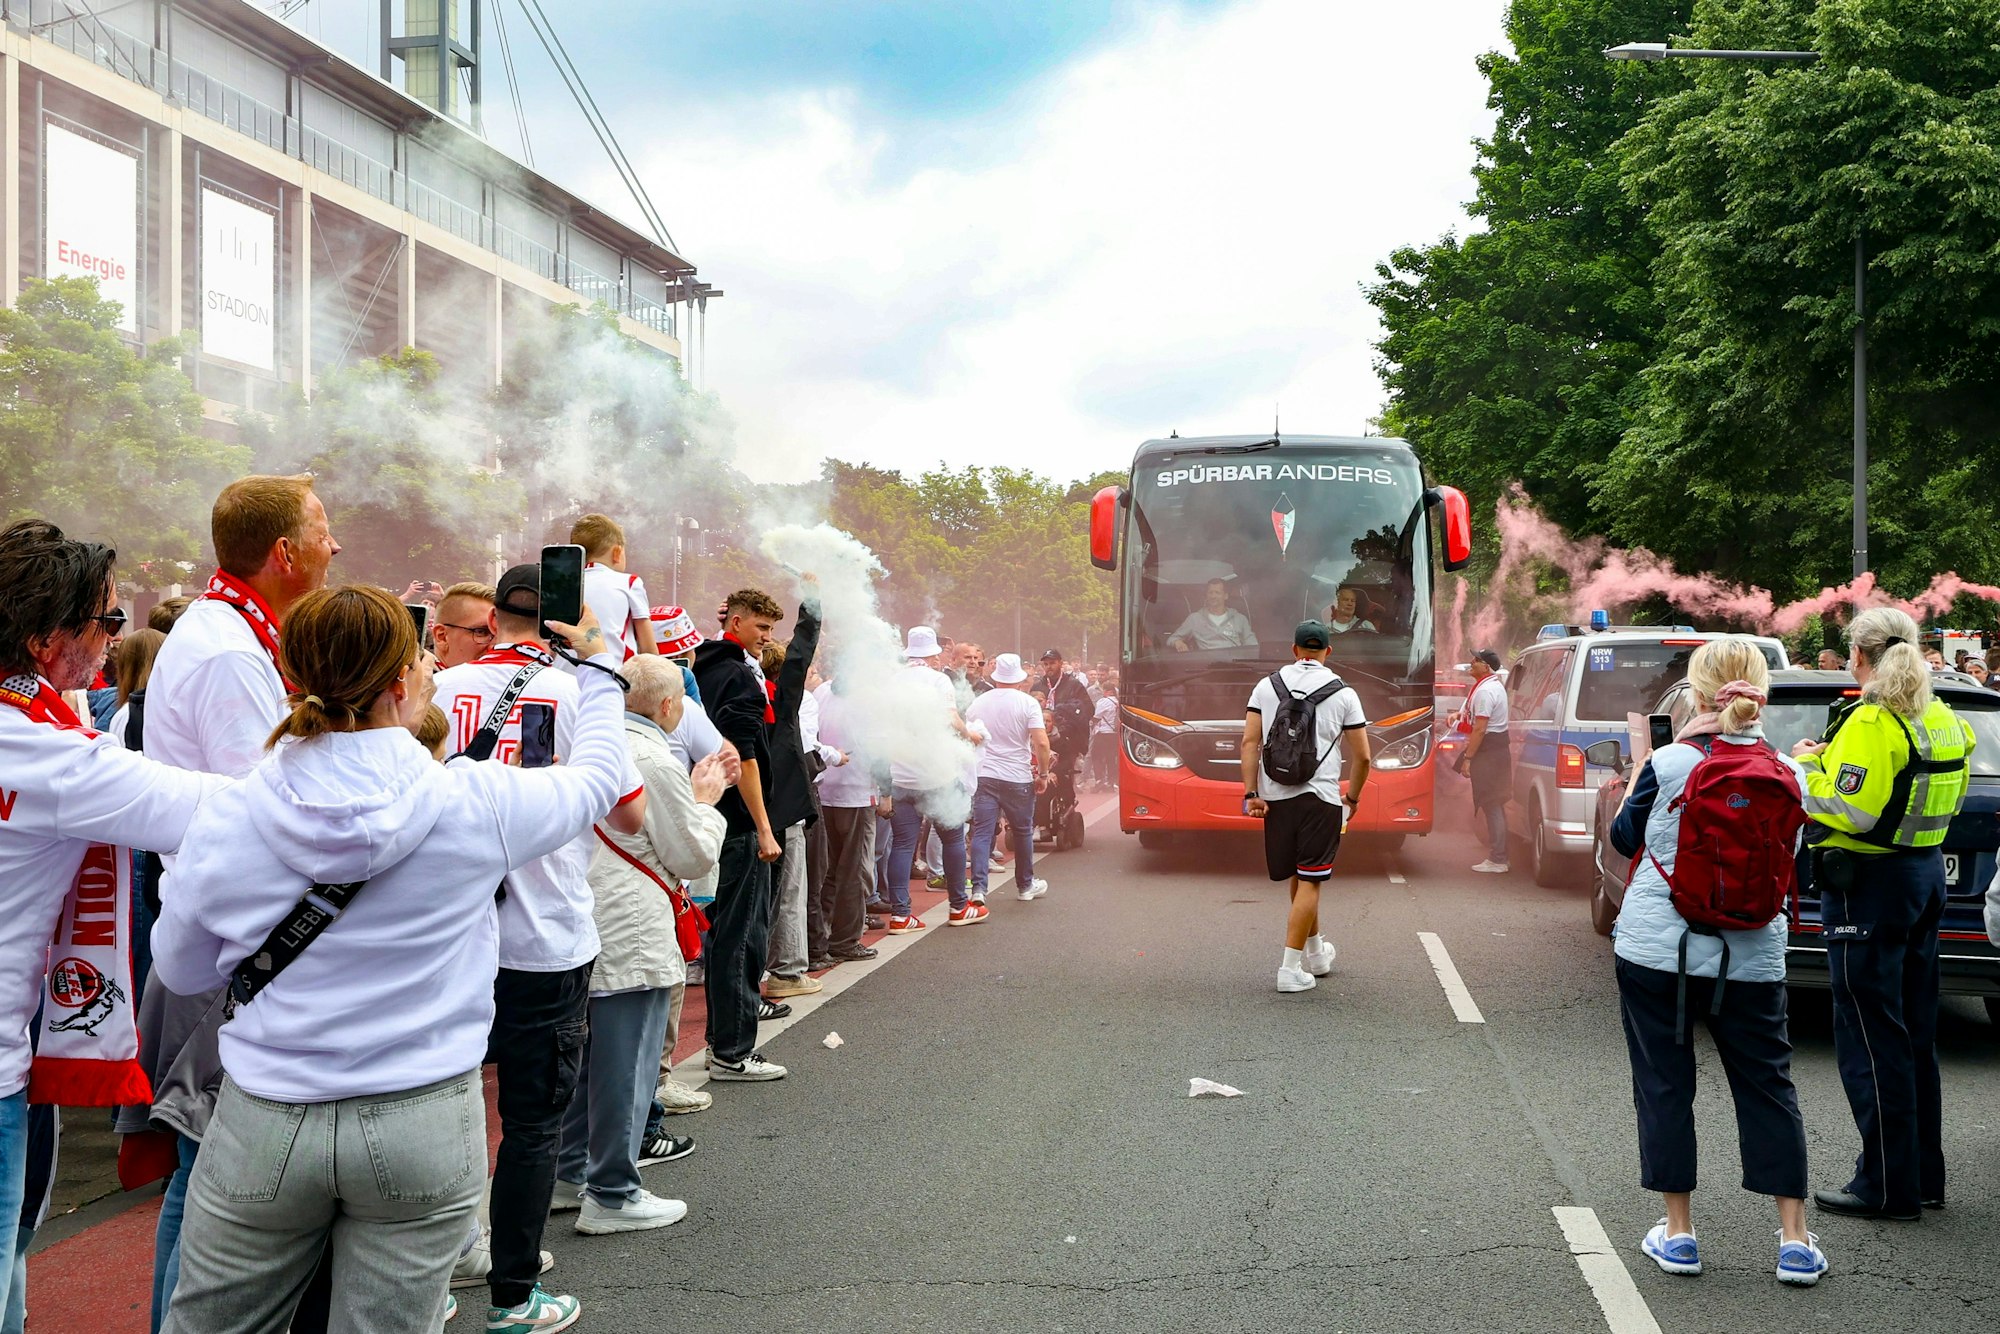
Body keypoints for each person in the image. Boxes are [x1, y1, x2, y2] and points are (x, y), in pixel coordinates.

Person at [151, 586, 629, 1334]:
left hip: (267, 1113)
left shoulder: (231, 811)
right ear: (401, 685)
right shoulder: (477, 804)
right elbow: (599, 781)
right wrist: (601, 672)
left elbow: (181, 972)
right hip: (422, 1115)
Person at [0, 521, 227, 1327]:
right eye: (105, 621)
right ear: (43, 640)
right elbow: (228, 811)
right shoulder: (44, 755)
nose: (114, 639)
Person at [134, 474, 339, 1333]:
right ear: (284, 553)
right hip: (225, 945)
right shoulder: (227, 651)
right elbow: (269, 808)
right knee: (207, 1169)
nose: (336, 547)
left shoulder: (238, 634)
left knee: (210, 1166)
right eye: (324, 531)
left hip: (225, 934)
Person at [431, 563, 646, 1330]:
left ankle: (437, 1270)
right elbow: (628, 815)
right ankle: (515, 1297)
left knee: (441, 1104)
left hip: (447, 934)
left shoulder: (435, 689)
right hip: (543, 934)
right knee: (529, 1125)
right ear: (570, 619)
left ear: (491, 618)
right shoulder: (582, 691)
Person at [1605, 637, 1825, 1285]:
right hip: (1752, 955)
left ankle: (1679, 1234)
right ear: (1764, 694)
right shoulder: (1791, 773)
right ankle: (1793, 1241)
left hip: (1657, 949)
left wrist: (1645, 764)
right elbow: (1797, 865)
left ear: (1698, 696)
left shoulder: (1669, 762)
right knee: (1768, 1087)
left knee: (1666, 1083)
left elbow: (1624, 839)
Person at [1791, 607, 1972, 1221]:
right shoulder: (1940, 713)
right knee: (1914, 1034)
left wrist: (1798, 771)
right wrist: (1826, 759)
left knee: (1870, 1036)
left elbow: (1855, 808)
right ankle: (1921, 1176)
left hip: (1869, 885)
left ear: (1861, 656)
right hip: (1922, 877)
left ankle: (1885, 1186)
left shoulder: (1873, 717)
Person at [556, 655, 728, 1234]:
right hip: (631, 921)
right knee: (626, 1064)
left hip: (580, 911)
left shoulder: (589, 740)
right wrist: (705, 803)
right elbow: (691, 855)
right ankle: (612, 1191)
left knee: (586, 1060)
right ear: (669, 707)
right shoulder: (654, 756)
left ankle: (570, 1172)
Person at [692, 589, 790, 1081]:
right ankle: (731, 1051)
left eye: (770, 630)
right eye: (761, 629)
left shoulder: (701, 666)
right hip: (738, 823)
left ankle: (724, 1045)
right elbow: (744, 757)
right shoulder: (736, 677)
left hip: (709, 815)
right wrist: (765, 829)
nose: (767, 639)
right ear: (734, 623)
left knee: (725, 936)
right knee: (742, 938)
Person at [1241, 620, 1370, 993]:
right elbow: (1362, 757)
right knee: (1313, 879)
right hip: (1321, 798)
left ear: (1294, 650)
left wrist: (1252, 795)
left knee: (1301, 875)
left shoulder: (1267, 686)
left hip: (1276, 796)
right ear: (1328, 652)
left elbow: (1249, 743)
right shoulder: (1344, 693)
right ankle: (1289, 969)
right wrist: (1353, 799)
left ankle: (1315, 953)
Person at [883, 628, 977, 932]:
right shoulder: (938, 680)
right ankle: (959, 906)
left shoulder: (893, 680)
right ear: (934, 654)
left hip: (900, 775)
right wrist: (971, 735)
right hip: (937, 774)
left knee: (902, 844)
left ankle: (900, 914)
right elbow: (952, 719)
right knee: (952, 839)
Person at [763, 592, 826, 1000]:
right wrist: (811, 603)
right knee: (790, 892)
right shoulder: (782, 701)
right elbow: (801, 650)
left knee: (760, 898)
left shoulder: (731, 691)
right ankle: (787, 970)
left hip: (749, 811)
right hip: (782, 809)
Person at [967, 654, 1052, 904]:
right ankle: (1025, 885)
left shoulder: (978, 703)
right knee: (1023, 831)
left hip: (985, 773)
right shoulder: (1028, 703)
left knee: (982, 832)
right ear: (1019, 678)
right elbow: (1042, 742)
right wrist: (1043, 774)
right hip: (1017, 775)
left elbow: (970, 738)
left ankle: (979, 889)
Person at [811, 668, 880, 965]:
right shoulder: (868, 697)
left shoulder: (821, 692)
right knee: (854, 870)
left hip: (825, 789)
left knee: (828, 871)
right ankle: (846, 940)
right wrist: (886, 791)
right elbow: (881, 747)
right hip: (858, 792)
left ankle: (821, 935)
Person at [1456, 649, 1512, 873]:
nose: (1471, 662)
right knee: (1494, 803)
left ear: (1486, 667)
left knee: (1492, 804)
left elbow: (1480, 729)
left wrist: (1468, 758)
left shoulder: (1486, 691)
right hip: (1496, 751)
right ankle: (1500, 855)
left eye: (1476, 660)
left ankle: (1498, 858)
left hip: (1489, 752)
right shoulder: (1489, 686)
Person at [574, 513, 656, 660]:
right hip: (615, 676)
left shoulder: (563, 584)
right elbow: (648, 650)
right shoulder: (629, 583)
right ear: (617, 553)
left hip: (565, 676)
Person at [1033, 649, 1093, 839]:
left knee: (1062, 775)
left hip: (1066, 742)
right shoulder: (1038, 686)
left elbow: (1087, 710)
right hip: (1039, 740)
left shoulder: (1074, 685)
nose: (1049, 667)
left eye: (1052, 663)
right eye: (1046, 664)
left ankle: (1066, 806)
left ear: (1060, 663)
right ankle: (1035, 819)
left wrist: (1060, 712)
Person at [1168, 579, 1257, 652]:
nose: (1213, 596)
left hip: (1234, 667)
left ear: (1225, 596)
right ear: (1206, 596)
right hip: (1207, 667)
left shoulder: (1240, 619)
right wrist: (1177, 642)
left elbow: (1253, 647)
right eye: (1210, 592)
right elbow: (1172, 639)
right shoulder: (1195, 618)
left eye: (1217, 593)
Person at [429, 581, 496, 669]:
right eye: (481, 632)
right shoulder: (413, 681)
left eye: (501, 635)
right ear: (442, 637)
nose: (495, 646)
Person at [1090, 681, 1119, 790]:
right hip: (1114, 733)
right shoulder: (1117, 702)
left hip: (1103, 733)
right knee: (1111, 758)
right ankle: (1111, 782)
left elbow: (1097, 717)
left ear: (1107, 691)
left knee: (1096, 756)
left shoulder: (1103, 702)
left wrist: (1091, 725)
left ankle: (1099, 779)